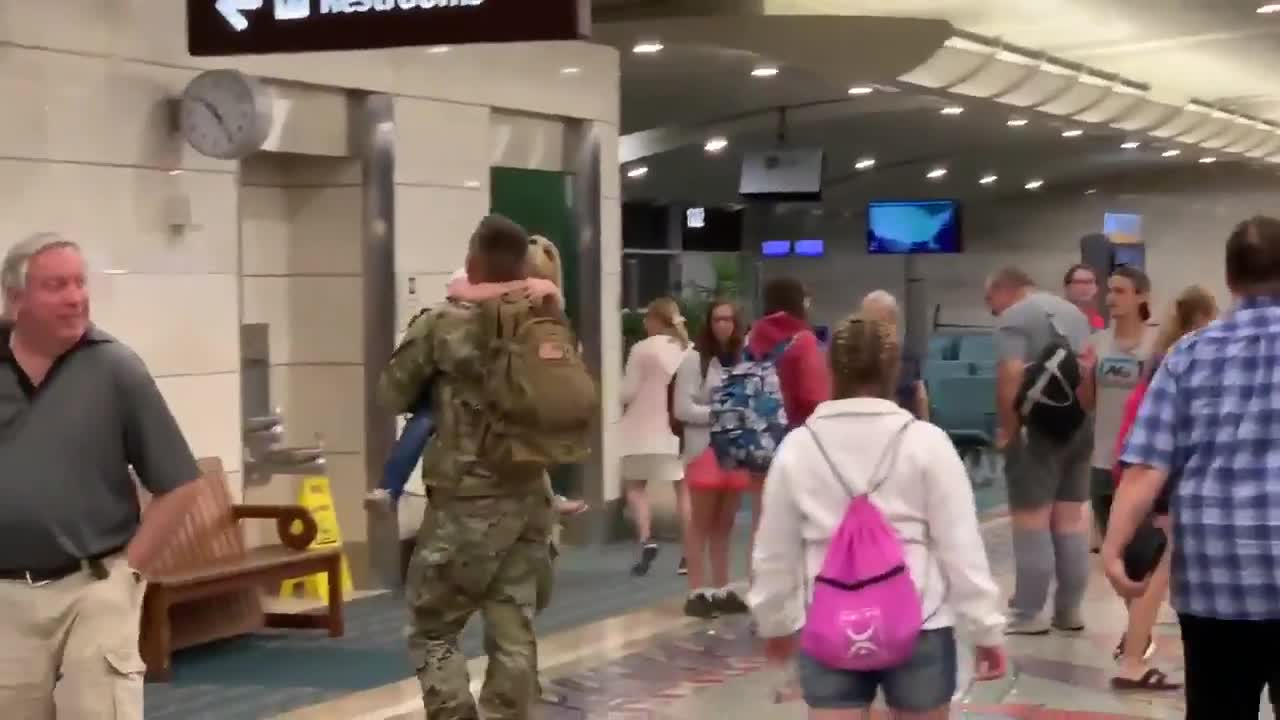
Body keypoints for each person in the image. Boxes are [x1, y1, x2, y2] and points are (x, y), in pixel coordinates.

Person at [749, 313, 1007, 717]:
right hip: (921, 620)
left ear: (832, 368)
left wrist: (776, 622)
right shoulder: (928, 443)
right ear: (893, 370)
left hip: (829, 618)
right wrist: (984, 627)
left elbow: (773, 551)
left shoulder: (798, 448)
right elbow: (960, 546)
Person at [0, 233, 202, 719]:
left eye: (79, 283)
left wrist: (127, 576)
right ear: (15, 299)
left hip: (93, 587)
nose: (75, 297)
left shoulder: (116, 369)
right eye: (55, 285)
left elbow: (180, 483)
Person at [379, 214, 555, 720]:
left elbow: (391, 393)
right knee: (513, 625)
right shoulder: (548, 322)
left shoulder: (444, 324)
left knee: (432, 626)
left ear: (474, 261)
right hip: (532, 501)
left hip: (467, 506)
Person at [1105, 216, 1280, 719]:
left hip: (1216, 583)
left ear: (1229, 280)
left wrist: (1115, 547)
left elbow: (1147, 467)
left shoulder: (1189, 355)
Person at [1106, 284, 1217, 692]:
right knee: (1155, 574)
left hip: (1129, 466)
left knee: (1147, 569)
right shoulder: (1188, 360)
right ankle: (1132, 659)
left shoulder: (1162, 359)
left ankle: (1132, 646)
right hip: (1158, 479)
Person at [984, 267, 1094, 635]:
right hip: (1079, 427)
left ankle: (1029, 614)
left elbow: (1011, 375)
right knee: (1070, 520)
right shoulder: (1075, 314)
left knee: (1031, 520)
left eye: (990, 302)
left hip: (1038, 431)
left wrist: (1009, 431)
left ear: (1005, 290)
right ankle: (1069, 612)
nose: (992, 311)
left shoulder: (1015, 318)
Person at [673, 299, 750, 618]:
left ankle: (721, 588)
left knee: (724, 524)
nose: (723, 325)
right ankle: (696, 590)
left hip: (734, 448)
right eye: (718, 319)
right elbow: (683, 408)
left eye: (729, 320)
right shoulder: (694, 360)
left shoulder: (742, 357)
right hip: (704, 447)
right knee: (701, 523)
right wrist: (721, 414)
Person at [618, 296, 691, 576]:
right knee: (683, 491)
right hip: (677, 433)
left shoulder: (641, 350)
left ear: (655, 320)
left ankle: (647, 540)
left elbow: (628, 391)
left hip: (641, 431)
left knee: (635, 488)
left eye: (647, 318)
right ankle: (688, 554)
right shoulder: (688, 350)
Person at [1083, 267, 1157, 541]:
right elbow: (1088, 403)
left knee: (1142, 552)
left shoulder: (1156, 344)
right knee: (1111, 551)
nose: (1111, 298)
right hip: (1103, 461)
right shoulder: (1097, 343)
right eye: (1109, 291)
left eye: (1120, 291)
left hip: (1142, 462)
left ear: (1141, 297)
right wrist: (1086, 374)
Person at [861, 289, 929, 420]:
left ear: (893, 323)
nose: (868, 329)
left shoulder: (905, 355)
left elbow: (919, 395)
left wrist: (927, 428)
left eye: (875, 323)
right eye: (864, 322)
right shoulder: (853, 355)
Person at [1064, 263, 1106, 330]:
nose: (1084, 287)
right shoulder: (1058, 319)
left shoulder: (1098, 321)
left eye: (1089, 282)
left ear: (1097, 287)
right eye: (1078, 282)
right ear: (1067, 287)